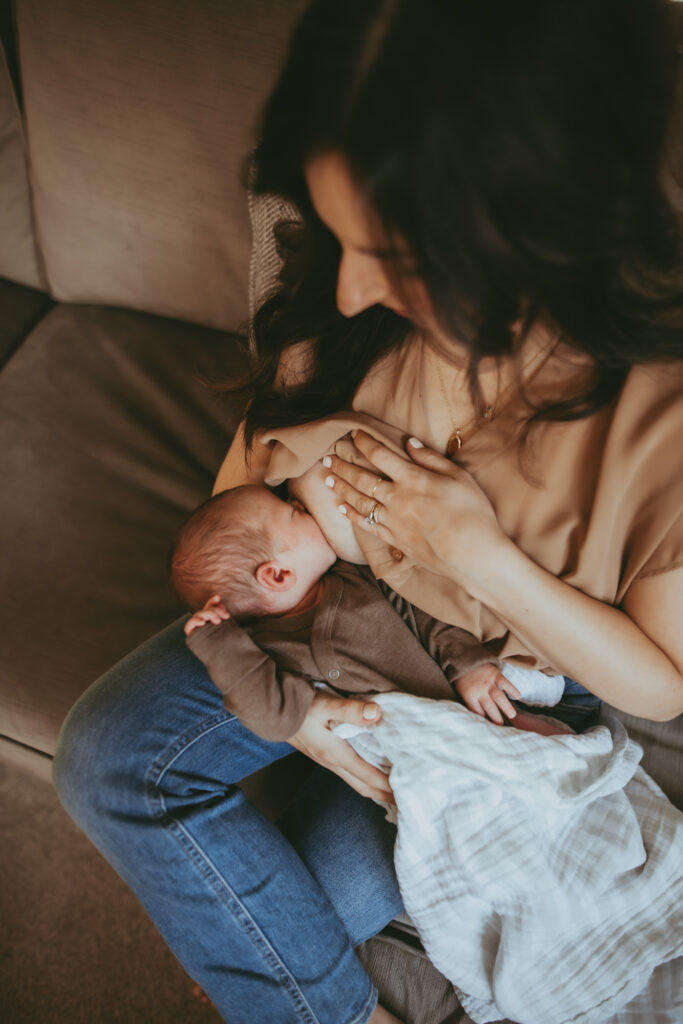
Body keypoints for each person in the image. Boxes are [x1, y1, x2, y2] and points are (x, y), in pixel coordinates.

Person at [53, 2, 683, 1022]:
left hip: (474, 697)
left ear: (525, 232)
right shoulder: (347, 315)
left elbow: (655, 686)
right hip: (308, 629)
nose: (348, 291)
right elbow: (240, 492)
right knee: (105, 754)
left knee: (315, 903)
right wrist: (295, 719)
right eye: (339, 236)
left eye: (388, 252)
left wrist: (479, 557)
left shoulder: (658, 416)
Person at [169, 483, 572, 740]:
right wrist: (218, 645)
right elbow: (271, 718)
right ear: (277, 575)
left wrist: (467, 664)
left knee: (519, 723)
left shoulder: (356, 575)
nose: (298, 502)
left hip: (463, 695)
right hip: (420, 744)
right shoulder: (266, 651)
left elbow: (424, 609)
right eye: (293, 512)